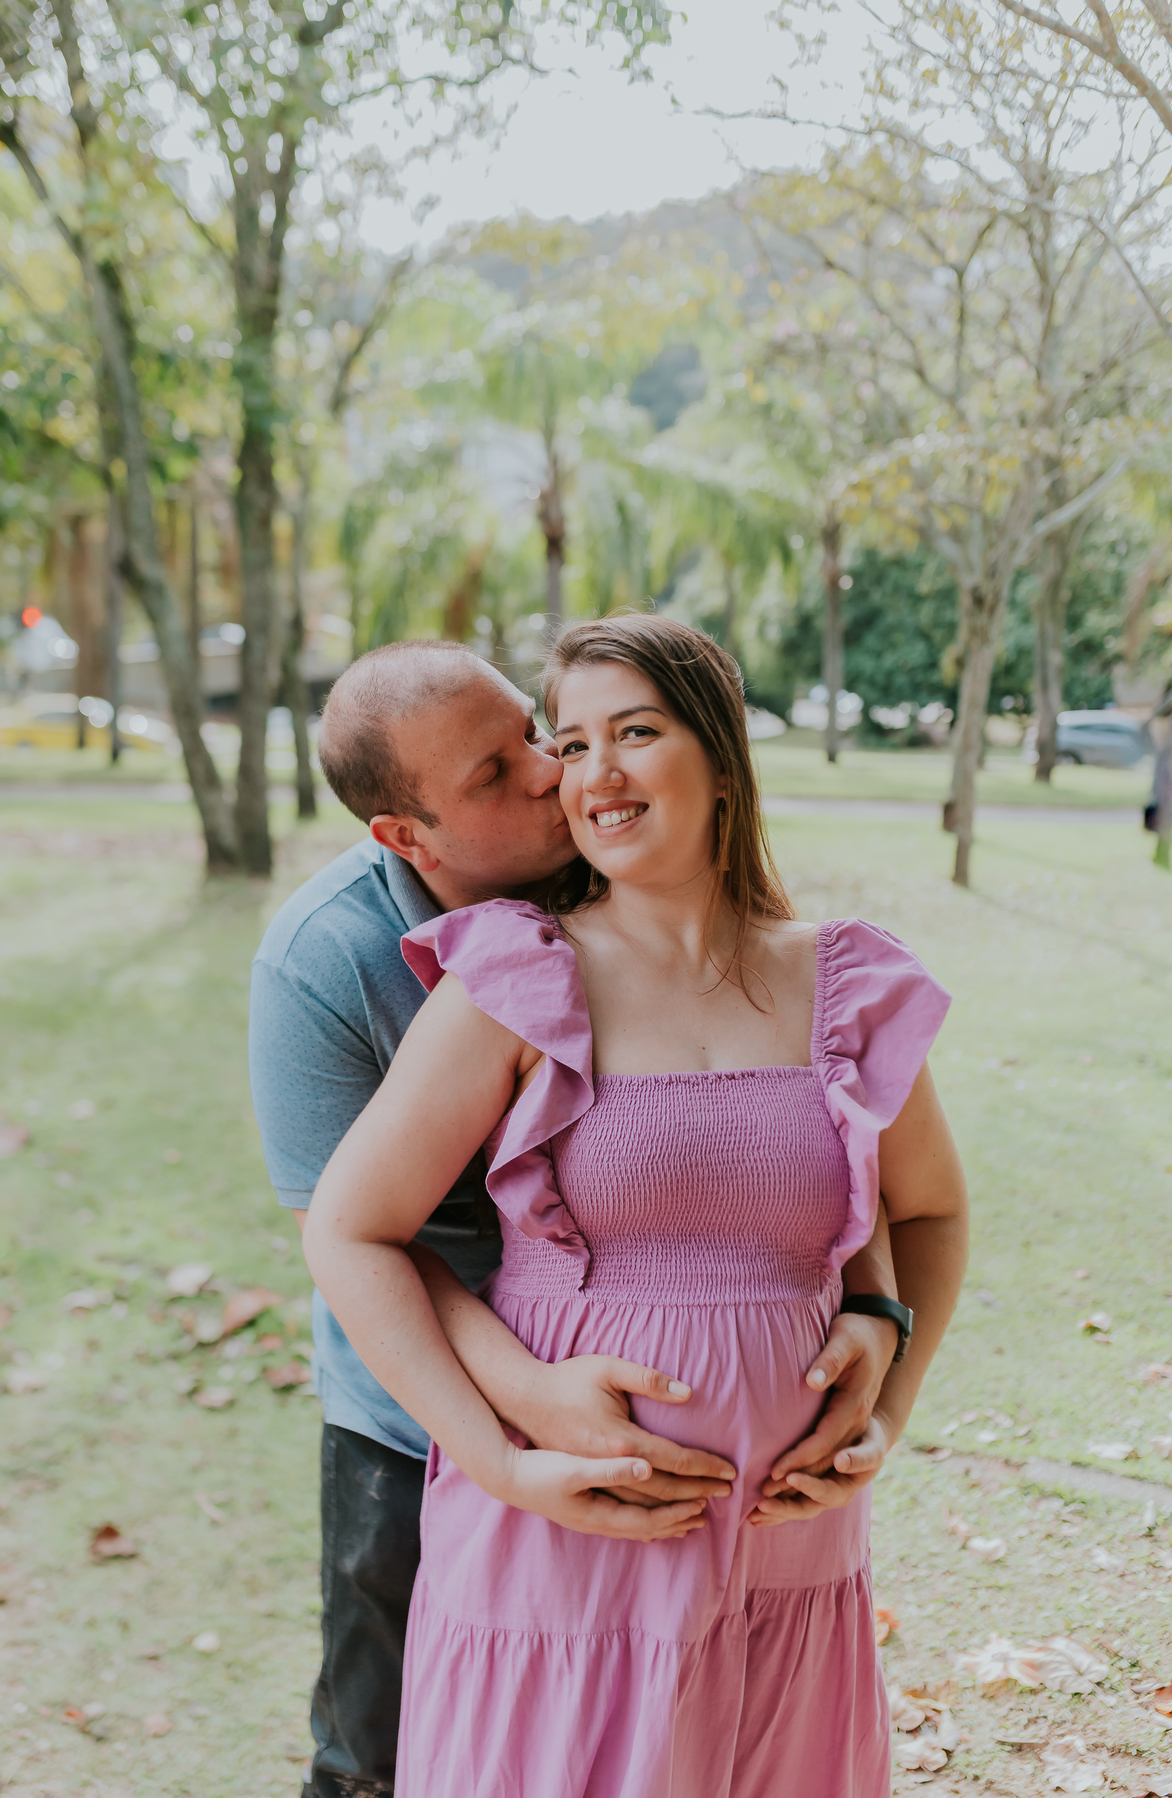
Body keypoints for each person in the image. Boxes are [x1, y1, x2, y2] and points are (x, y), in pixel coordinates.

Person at [303, 618, 969, 1798]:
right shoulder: (517, 976)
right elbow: (350, 1228)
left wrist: (888, 1386)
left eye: (636, 732)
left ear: (717, 750)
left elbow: (929, 1214)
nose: (592, 772)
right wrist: (500, 1464)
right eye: (571, 741)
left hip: (788, 1557)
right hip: (566, 1554)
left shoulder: (846, 984)